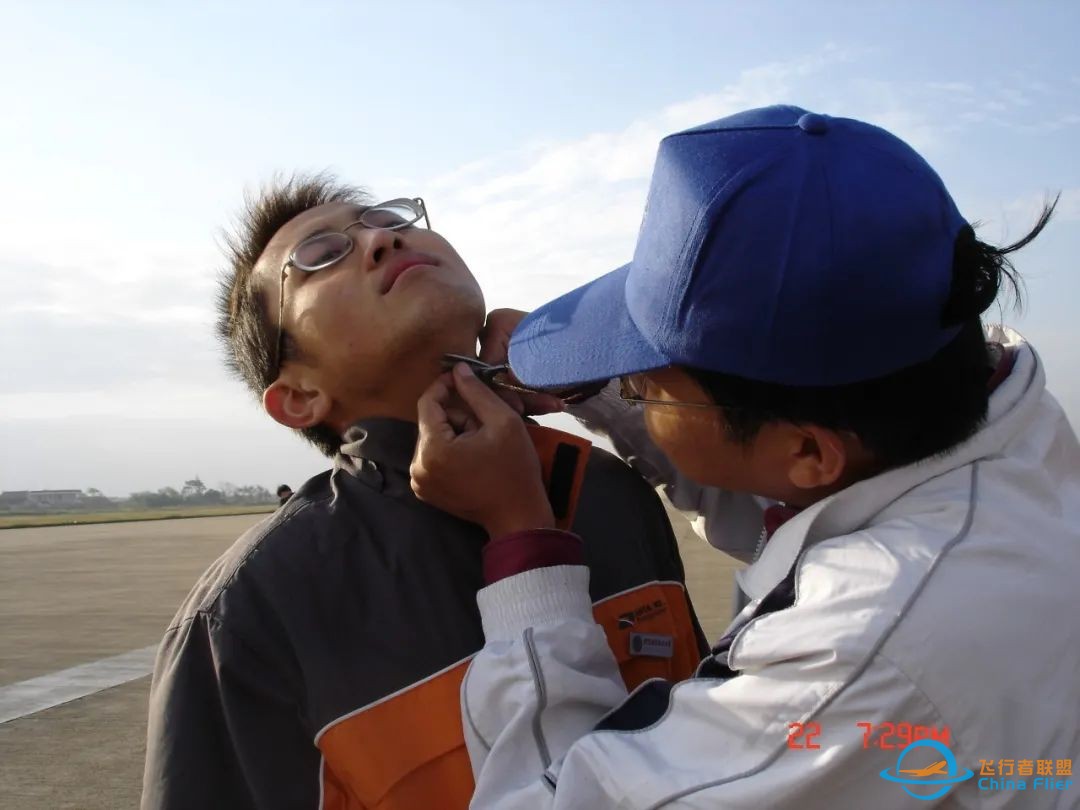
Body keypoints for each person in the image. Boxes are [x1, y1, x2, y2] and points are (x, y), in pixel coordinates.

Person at [410, 106, 1080, 808]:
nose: (628, 387)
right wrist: (599, 389)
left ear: (808, 450)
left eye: (643, 381)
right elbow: (778, 486)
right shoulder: (986, 417)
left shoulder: (857, 659)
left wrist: (522, 541)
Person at [140, 177, 707, 810]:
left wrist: (589, 380)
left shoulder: (608, 490)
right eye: (320, 256)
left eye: (386, 218)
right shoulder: (250, 614)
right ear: (299, 397)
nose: (382, 238)